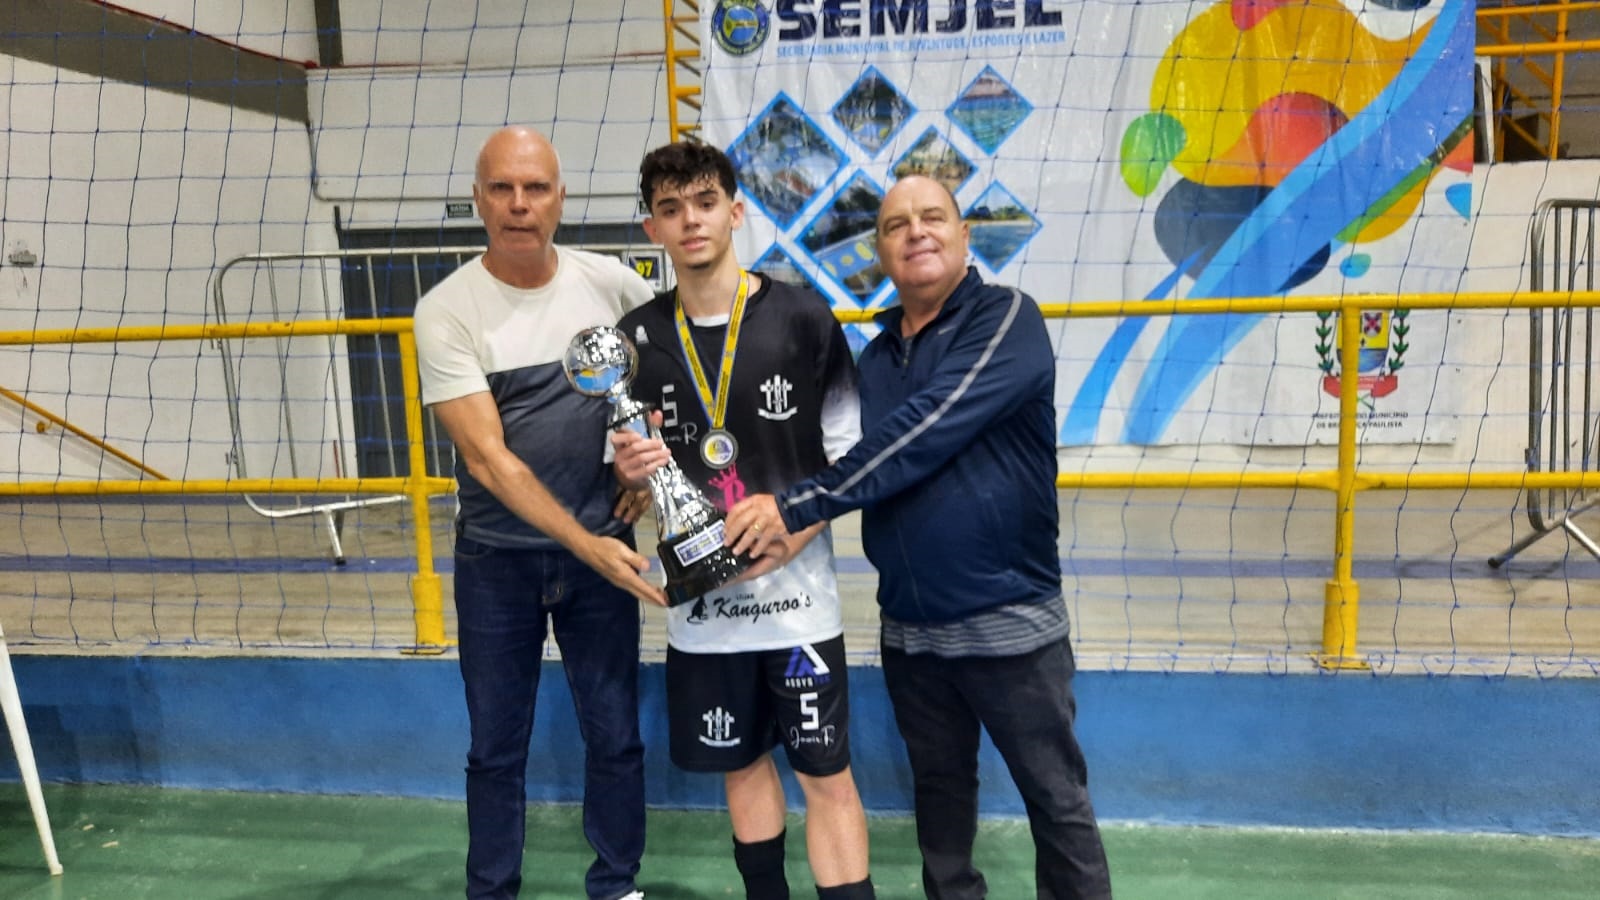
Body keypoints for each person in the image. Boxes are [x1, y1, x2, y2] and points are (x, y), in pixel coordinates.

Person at [724, 175, 1114, 899]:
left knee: (1055, 798)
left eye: (933, 216)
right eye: (896, 224)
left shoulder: (1006, 319)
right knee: (939, 799)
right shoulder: (875, 360)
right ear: (880, 250)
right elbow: (832, 455)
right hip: (910, 630)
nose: (916, 232)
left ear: (965, 236)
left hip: (1009, 623)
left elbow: (923, 431)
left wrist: (793, 506)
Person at [609, 141, 876, 900]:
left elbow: (853, 457)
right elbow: (627, 474)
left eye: (704, 203)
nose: (689, 221)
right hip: (703, 614)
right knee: (744, 766)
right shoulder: (635, 340)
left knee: (827, 776)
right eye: (670, 209)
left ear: (735, 211)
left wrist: (797, 523)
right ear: (652, 229)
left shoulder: (802, 317)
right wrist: (626, 472)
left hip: (799, 605)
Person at [413, 125, 662, 900]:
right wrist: (589, 542)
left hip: (601, 554)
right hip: (499, 564)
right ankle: (492, 890)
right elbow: (490, 461)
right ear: (478, 200)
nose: (519, 204)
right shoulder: (446, 311)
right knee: (495, 749)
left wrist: (646, 471)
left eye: (536, 188)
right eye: (502, 188)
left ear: (561, 198)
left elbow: (673, 380)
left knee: (615, 736)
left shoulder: (612, 286)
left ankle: (615, 884)